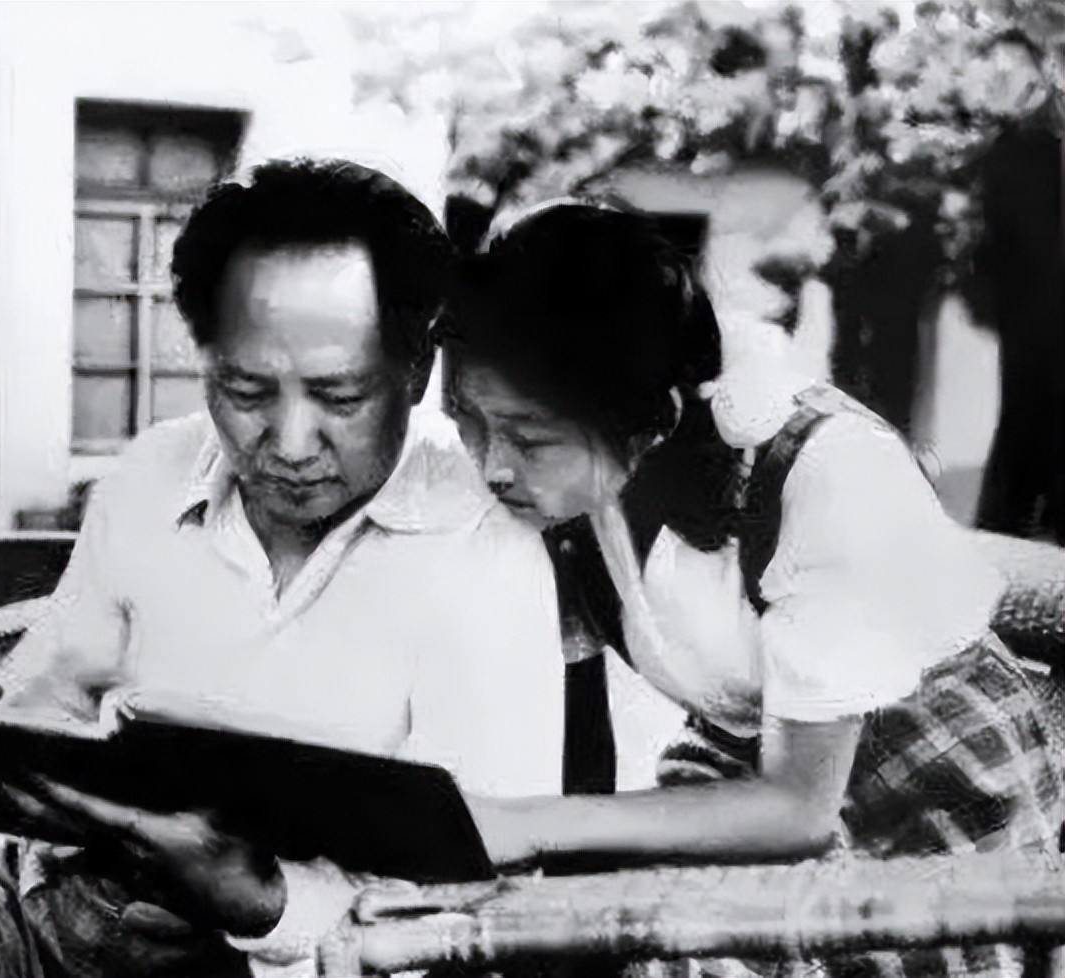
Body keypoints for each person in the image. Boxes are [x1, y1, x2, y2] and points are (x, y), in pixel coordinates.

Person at [0, 160, 565, 978]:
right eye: (246, 391)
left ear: (416, 370)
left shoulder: (484, 545)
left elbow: (481, 902)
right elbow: (48, 695)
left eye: (340, 398)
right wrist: (38, 784)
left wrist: (264, 903)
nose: (289, 445)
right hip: (61, 923)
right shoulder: (153, 476)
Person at [437, 200, 1064, 977]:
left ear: (655, 421)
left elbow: (801, 809)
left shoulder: (827, 472)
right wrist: (569, 906)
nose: (490, 466)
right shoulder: (569, 494)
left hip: (921, 786)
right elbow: (585, 730)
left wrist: (531, 823)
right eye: (467, 422)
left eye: (528, 438)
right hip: (746, 760)